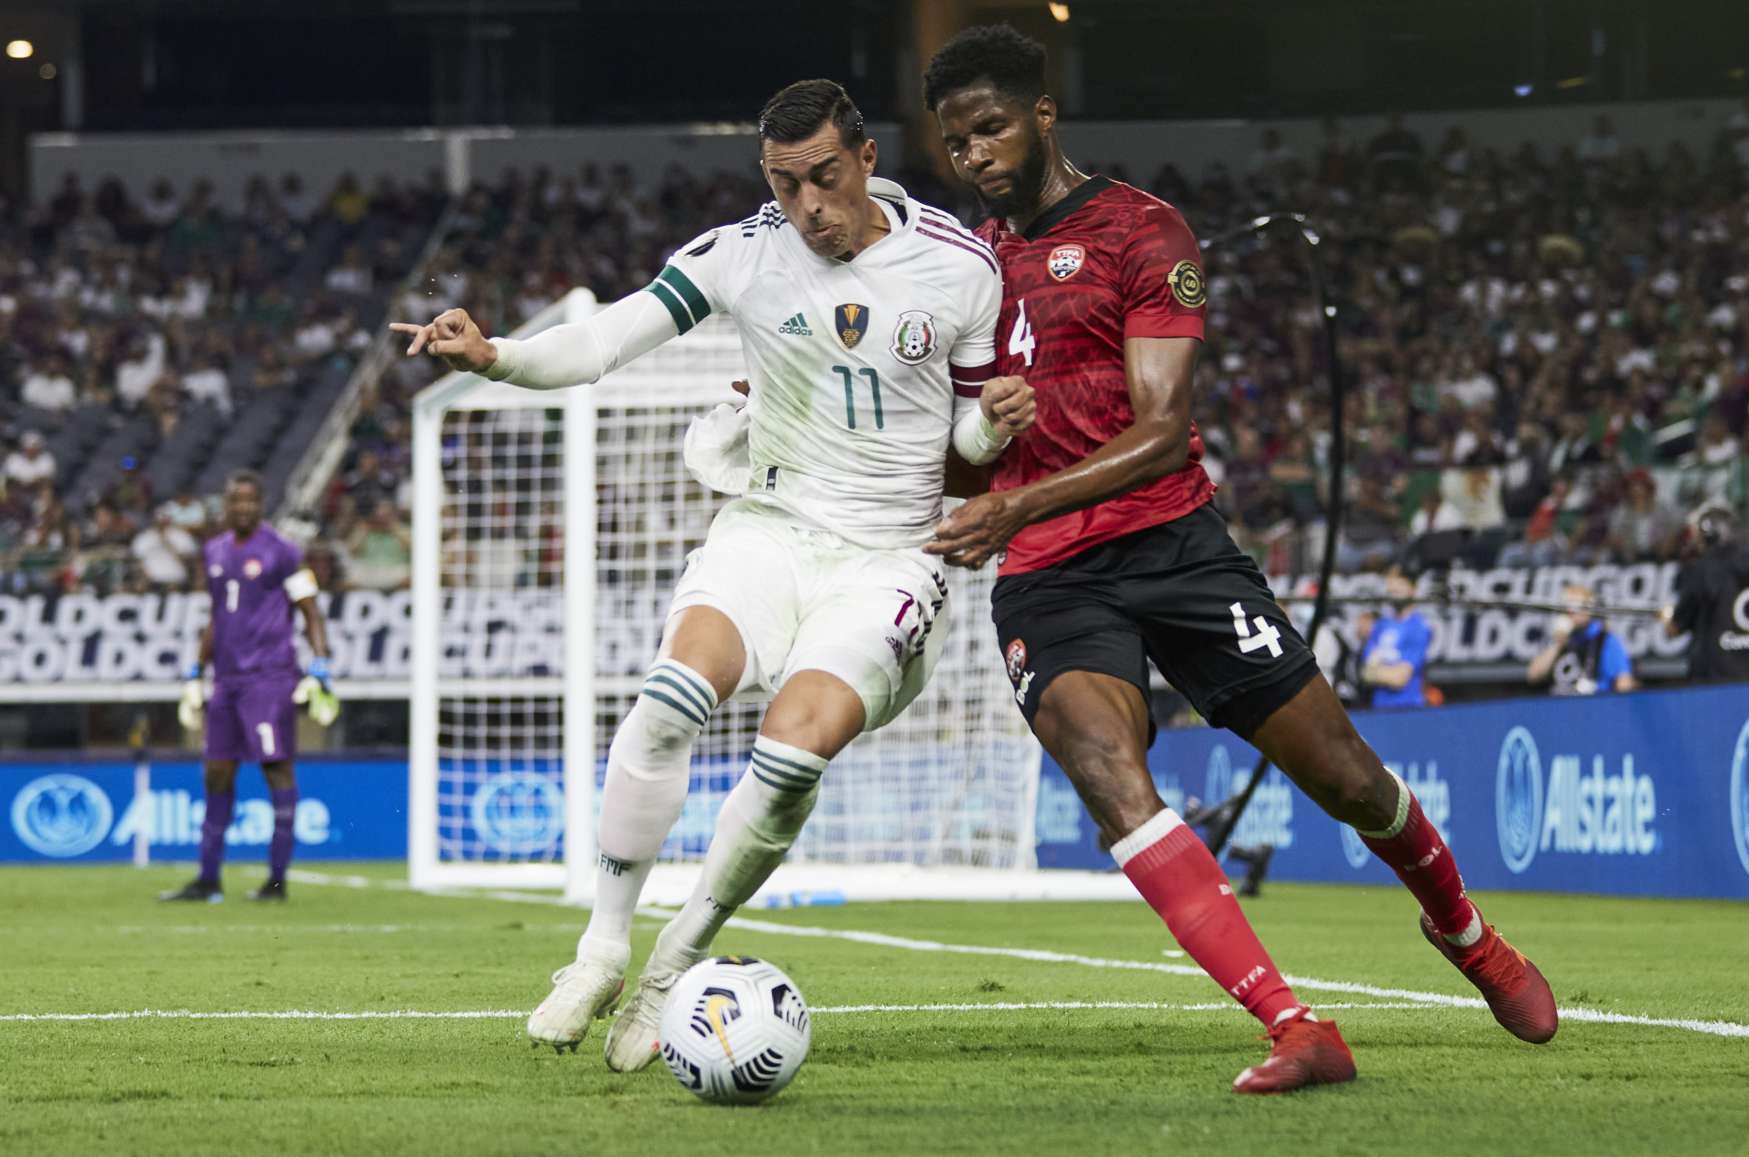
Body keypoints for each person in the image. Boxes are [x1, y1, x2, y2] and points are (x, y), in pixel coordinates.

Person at [924, 25, 1555, 1095]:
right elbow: (951, 466)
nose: (973, 154)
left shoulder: (1141, 230)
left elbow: (1164, 431)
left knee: (1350, 781)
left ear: (1041, 115)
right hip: (1049, 575)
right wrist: (979, 450)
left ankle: (1464, 931)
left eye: (989, 128)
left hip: (1175, 545)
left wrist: (1015, 492)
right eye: (952, 140)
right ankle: (1296, 1026)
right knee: (1111, 778)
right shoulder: (966, 270)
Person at [393, 79, 1032, 1068]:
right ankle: (602, 948)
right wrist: (498, 356)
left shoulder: (962, 266)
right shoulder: (744, 252)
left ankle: (671, 967)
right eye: (785, 185)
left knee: (789, 755)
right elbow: (609, 336)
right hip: (770, 527)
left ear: (866, 158)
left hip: (890, 555)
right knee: (669, 697)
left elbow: (970, 445)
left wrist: (993, 423)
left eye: (823, 178)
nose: (807, 207)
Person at [161, 470, 337, 903]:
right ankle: (207, 880)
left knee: (275, 768)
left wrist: (319, 665)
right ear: (225, 504)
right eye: (235, 500)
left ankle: (276, 882)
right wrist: (194, 670)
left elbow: (311, 610)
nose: (242, 507)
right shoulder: (214, 550)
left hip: (269, 678)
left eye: (250, 500)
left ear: (260, 504)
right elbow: (217, 617)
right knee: (216, 773)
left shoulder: (283, 551)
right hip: (226, 680)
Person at [1663, 505, 1749, 681]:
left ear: (1707, 536)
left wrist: (1667, 617)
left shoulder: (1701, 569)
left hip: (1718, 681)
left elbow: (1674, 628)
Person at [1527, 585, 1638, 695]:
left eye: (1576, 607)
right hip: (1559, 705)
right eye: (1565, 608)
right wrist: (1558, 644)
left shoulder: (1605, 640)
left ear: (1589, 610)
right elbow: (1533, 676)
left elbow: (1624, 683)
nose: (1570, 612)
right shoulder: (1557, 639)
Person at [1361, 568, 1432, 708]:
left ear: (1412, 589)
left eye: (1399, 584)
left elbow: (1400, 679)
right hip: (1378, 708)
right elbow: (1365, 673)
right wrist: (1387, 673)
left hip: (1407, 709)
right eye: (1390, 585)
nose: (1393, 589)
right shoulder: (1381, 626)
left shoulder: (1419, 627)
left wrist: (1378, 671)